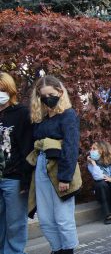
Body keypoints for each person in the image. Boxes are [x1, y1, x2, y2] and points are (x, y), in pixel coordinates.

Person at [29, 75, 80, 254]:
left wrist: (65, 176)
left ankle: (67, 250)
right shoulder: (41, 119)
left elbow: (71, 146)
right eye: (43, 96)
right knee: (45, 219)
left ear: (59, 91)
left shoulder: (68, 115)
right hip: (41, 167)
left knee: (63, 217)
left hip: (60, 166)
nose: (47, 99)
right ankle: (56, 249)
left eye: (50, 94)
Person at [0, 72, 32, 254]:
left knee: (15, 224)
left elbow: (27, 148)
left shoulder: (21, 113)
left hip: (14, 178)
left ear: (10, 91)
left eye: (2, 90)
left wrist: (25, 180)